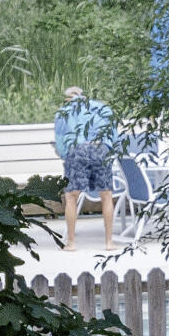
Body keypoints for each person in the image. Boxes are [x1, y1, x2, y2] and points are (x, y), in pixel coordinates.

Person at [53, 85, 118, 250]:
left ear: (68, 98)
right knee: (106, 195)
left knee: (71, 197)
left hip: (77, 150)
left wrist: (65, 156)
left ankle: (71, 243)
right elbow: (113, 134)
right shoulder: (102, 108)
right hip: (101, 149)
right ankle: (109, 242)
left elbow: (60, 140)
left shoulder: (64, 112)